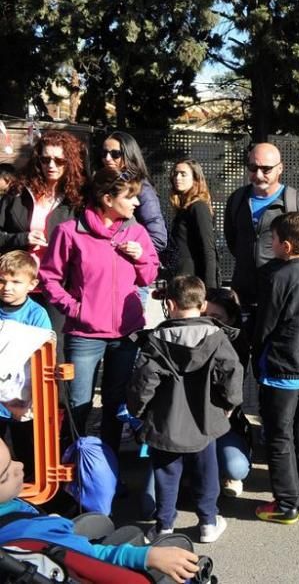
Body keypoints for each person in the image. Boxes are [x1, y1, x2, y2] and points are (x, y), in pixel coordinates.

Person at [39, 167, 159, 458]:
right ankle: (75, 470)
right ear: (107, 198)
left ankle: (108, 468)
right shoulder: (69, 232)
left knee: (115, 403)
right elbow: (49, 277)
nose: (137, 203)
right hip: (85, 334)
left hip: (126, 334)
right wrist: (75, 308)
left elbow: (149, 276)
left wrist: (141, 258)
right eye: (130, 196)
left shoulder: (137, 232)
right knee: (78, 404)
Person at [127, 275, 242, 544]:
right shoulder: (217, 336)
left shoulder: (156, 339)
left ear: (169, 303)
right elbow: (231, 372)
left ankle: (164, 526)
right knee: (207, 473)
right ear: (202, 305)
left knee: (166, 475)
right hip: (205, 420)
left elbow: (144, 380)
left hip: (165, 421)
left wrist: (138, 409)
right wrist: (229, 404)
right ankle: (208, 523)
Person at [0, 440, 204, 584]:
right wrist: (148, 556)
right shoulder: (32, 535)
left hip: (39, 543)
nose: (20, 466)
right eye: (5, 474)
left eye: (13, 459)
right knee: (167, 549)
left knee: (100, 523)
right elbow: (89, 558)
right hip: (65, 558)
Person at [253, 212, 299, 524]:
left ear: (284, 245)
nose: (270, 244)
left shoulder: (278, 278)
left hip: (282, 370)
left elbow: (264, 326)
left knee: (279, 436)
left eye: (272, 239)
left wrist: (253, 351)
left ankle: (286, 503)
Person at [0, 130, 87, 359]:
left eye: (59, 160)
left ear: (69, 163)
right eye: (45, 159)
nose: (51, 165)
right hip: (16, 286)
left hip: (57, 287)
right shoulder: (17, 193)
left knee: (52, 353)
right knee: (12, 353)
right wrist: (21, 238)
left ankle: (56, 397)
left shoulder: (76, 199)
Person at [224, 142, 299, 329]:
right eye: (252, 167)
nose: (258, 174)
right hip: (243, 296)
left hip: (280, 299)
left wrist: (287, 279)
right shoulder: (237, 200)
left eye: (266, 169)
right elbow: (233, 242)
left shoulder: (295, 203)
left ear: (280, 169)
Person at [0, 250, 52, 478]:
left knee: (23, 452)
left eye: (15, 281)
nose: (7, 287)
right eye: (2, 281)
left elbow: (45, 352)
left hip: (21, 398)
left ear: (32, 284)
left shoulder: (36, 314)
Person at [203, 287, 253, 498]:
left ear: (231, 319)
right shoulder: (189, 337)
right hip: (189, 428)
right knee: (150, 504)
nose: (208, 322)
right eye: (204, 316)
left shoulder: (236, 347)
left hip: (224, 424)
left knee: (236, 468)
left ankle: (228, 468)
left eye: (216, 317)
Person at [99, 131, 168, 253]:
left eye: (115, 154)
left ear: (129, 155)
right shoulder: (101, 183)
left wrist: (130, 252)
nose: (107, 158)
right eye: (104, 153)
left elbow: (158, 238)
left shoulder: (142, 187)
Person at [164, 159, 218, 288]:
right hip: (180, 281)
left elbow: (208, 249)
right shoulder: (182, 209)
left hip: (193, 284)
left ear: (195, 179)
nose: (177, 178)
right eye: (175, 173)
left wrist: (210, 291)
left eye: (183, 174)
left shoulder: (198, 207)